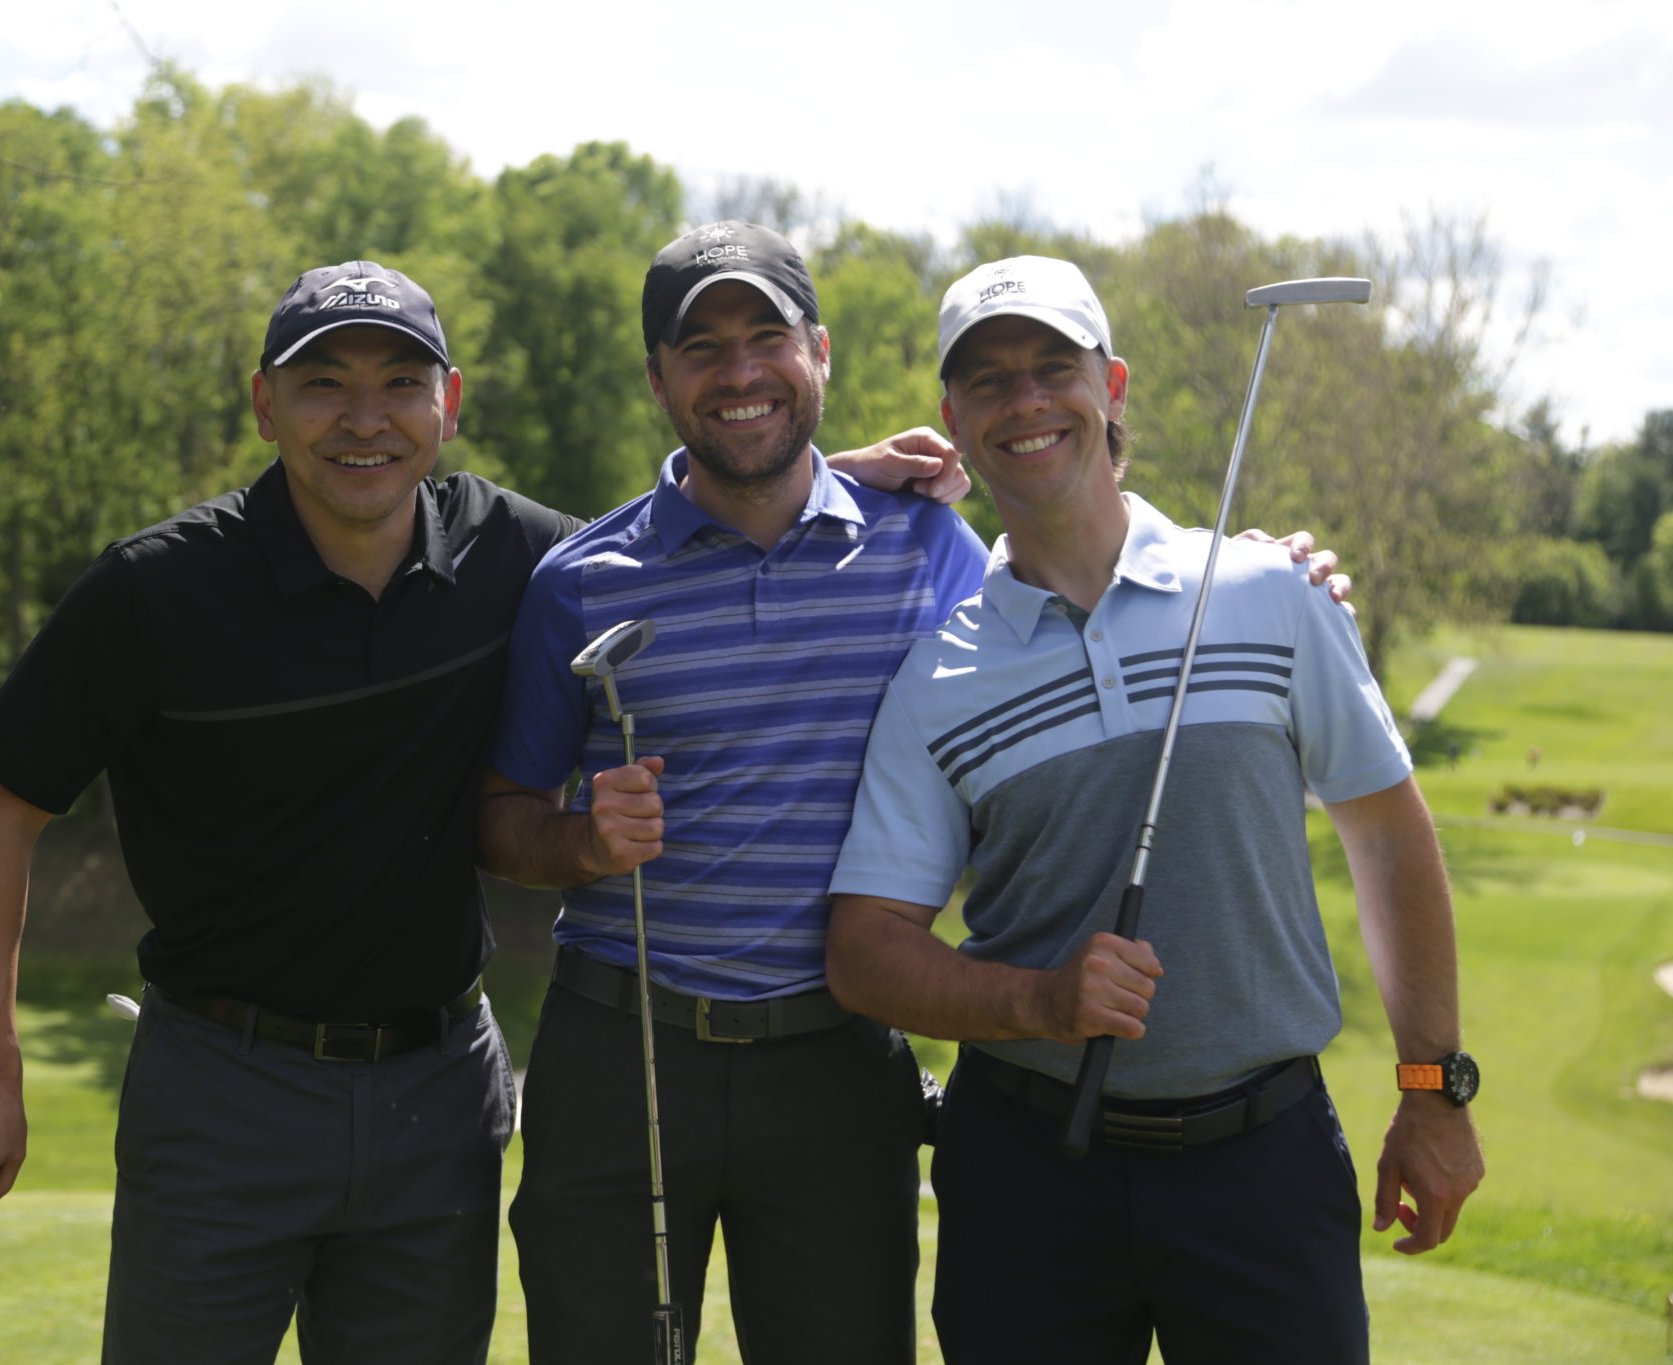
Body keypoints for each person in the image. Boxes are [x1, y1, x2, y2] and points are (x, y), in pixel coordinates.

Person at [0, 259, 969, 1365]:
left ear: (447, 405)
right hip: (222, 1088)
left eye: (400, 385)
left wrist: (812, 470)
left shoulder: (511, 556)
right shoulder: (157, 588)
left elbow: (684, 525)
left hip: (436, 1095)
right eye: (323, 385)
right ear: (264, 403)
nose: (364, 421)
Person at [477, 226, 1349, 1363]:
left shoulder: (930, 544)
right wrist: (579, 843)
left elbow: (1076, 557)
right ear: (658, 379)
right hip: (622, 1052)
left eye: (767, 338)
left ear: (820, 355)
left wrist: (1253, 569)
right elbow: (501, 820)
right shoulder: (579, 582)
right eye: (700, 349)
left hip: (836, 1061)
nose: (739, 373)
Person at [826, 255, 1485, 1363]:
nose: (1024, 401)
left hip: (1262, 1159)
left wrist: (1432, 1087)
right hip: (1029, 1175)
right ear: (952, 416)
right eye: (987, 381)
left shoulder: (1271, 593)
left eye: (1053, 367)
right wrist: (1039, 1001)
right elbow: (864, 953)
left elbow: (1382, 832)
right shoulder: (934, 677)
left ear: (1112, 385)